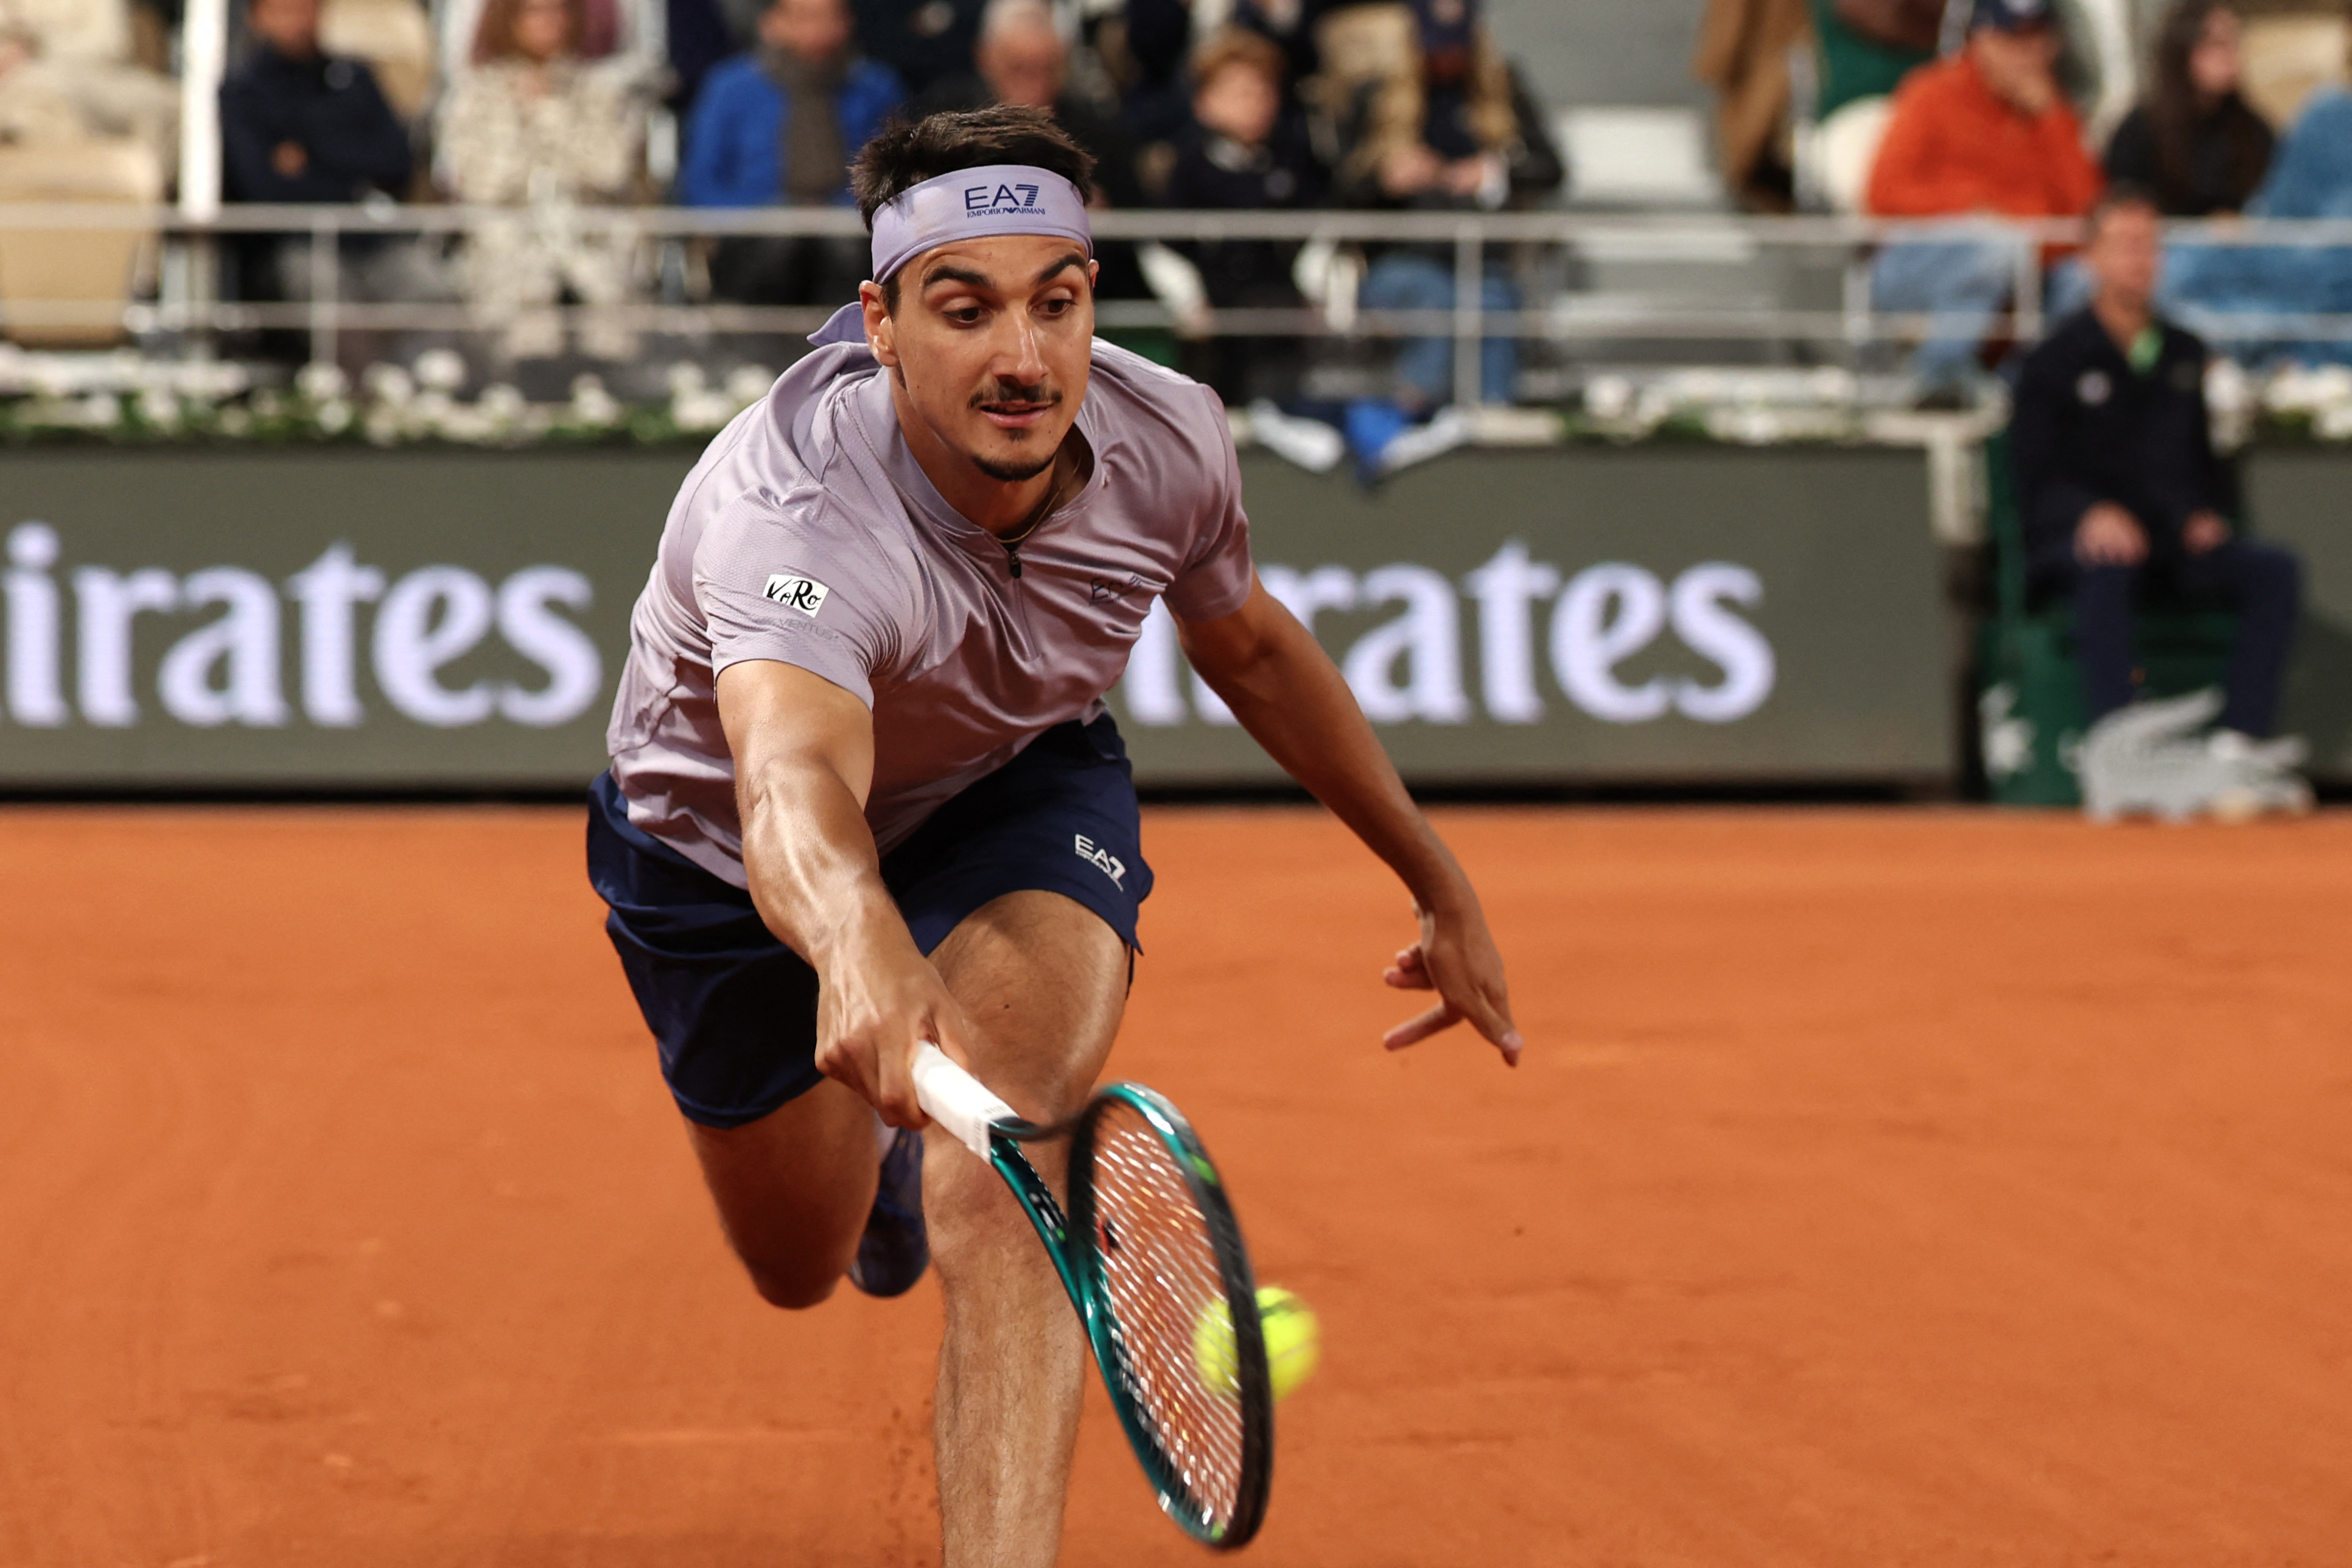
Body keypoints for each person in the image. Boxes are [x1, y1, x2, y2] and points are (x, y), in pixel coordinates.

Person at [587, 104, 1520, 1566]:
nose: (1024, 358)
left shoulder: (1169, 436)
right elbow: (791, 785)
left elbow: (1251, 648)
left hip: (1011, 786)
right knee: (797, 1262)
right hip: (714, 858)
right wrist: (860, 940)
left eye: (1058, 302)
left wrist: (1435, 875)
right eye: (965, 310)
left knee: (1019, 1158)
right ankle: (883, 1196)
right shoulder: (794, 509)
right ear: (881, 324)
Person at [2010, 187, 2303, 776]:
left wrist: (2201, 514)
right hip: (2080, 544)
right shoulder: (2052, 361)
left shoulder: (2184, 353)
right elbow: (2036, 474)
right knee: (2107, 565)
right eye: (2123, 245)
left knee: (2274, 570)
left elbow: (2199, 463)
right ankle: (2120, 745)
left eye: (2149, 246)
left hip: (2169, 543)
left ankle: (2239, 745)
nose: (2139, 260)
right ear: (2091, 257)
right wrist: (2089, 514)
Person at [1332, 0, 1561, 448]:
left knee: (1492, 302)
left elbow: (1550, 169)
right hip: (1400, 262)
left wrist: (1492, 172)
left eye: (1454, 48)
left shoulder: (1504, 89)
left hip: (1481, 261)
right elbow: (1339, 189)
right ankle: (1414, 426)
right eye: (1434, 49)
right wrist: (1386, 178)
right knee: (1434, 298)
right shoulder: (1376, 95)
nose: (1444, 60)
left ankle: (1493, 429)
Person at [1864, 0, 2104, 405]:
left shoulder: (2055, 112)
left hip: (2023, 277)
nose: (2029, 54)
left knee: (2089, 278)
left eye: (2039, 39)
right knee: (1997, 246)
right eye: (2014, 39)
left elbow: (2091, 214)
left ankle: (2029, 391)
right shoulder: (1932, 93)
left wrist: (2052, 119)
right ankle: (1936, 382)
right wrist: (1976, 209)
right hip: (1922, 266)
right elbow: (1883, 195)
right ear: (1981, 41)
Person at [439, 0, 650, 363]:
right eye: (534, 11)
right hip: (507, 247)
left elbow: (611, 170)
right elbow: (477, 181)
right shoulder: (478, 92)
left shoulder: (598, 91)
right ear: (509, 19)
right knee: (524, 305)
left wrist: (550, 122)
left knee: (609, 300)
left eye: (558, 11)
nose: (548, 22)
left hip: (591, 243)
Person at [218, 0, 425, 351]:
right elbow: (265, 189)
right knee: (328, 300)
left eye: (305, 8)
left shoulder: (356, 77)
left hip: (370, 236)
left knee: (428, 289)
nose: (297, 21)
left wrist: (310, 153)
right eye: (283, 11)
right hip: (292, 246)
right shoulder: (244, 92)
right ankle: (365, 386)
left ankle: (427, 380)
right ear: (257, 19)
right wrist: (353, 172)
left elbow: (397, 162)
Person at [679, 0, 905, 306]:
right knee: (777, 247)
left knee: (846, 251)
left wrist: (836, 215)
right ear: (771, 23)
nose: (818, 30)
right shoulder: (730, 88)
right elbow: (701, 184)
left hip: (848, 232)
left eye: (830, 17)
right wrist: (765, 217)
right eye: (804, 18)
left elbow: (893, 179)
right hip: (751, 237)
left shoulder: (876, 87)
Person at [1163, 25, 1324, 405]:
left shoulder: (1292, 160)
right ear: (1205, 102)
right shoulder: (1189, 168)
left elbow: (1319, 231)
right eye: (1240, 92)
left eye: (1264, 91)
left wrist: (1315, 292)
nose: (1256, 103)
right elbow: (1163, 243)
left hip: (1280, 311)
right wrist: (1189, 300)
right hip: (1216, 317)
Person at [2104, 0, 2273, 218]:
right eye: (2216, 43)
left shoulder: (2253, 132)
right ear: (2183, 49)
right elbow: (2124, 207)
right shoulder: (2140, 131)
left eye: (2234, 42)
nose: (2229, 55)